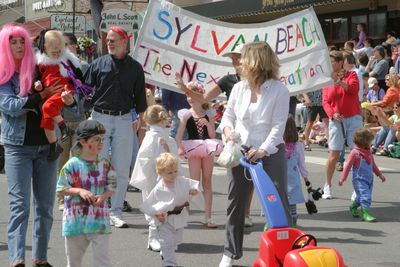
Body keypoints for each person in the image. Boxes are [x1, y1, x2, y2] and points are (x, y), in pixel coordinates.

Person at [0, 23, 70, 267]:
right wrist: (40, 96)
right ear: (5, 47)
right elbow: (9, 106)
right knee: (20, 207)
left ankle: (40, 258)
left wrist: (68, 99)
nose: (19, 46)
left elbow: (61, 93)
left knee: (46, 207)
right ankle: (17, 259)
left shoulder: (42, 67)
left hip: (47, 146)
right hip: (17, 147)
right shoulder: (4, 75)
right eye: (13, 42)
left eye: (22, 42)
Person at [217, 41, 291, 267]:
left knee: (278, 203)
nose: (239, 62)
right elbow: (228, 116)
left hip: (269, 153)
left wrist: (262, 151)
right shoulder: (239, 88)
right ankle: (230, 254)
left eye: (244, 58)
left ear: (257, 62)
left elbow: (279, 127)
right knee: (235, 204)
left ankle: (283, 254)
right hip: (241, 152)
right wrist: (228, 131)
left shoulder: (279, 90)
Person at [84, 26, 147, 228]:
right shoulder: (98, 64)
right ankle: (97, 209)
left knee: (121, 169)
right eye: (108, 40)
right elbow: (85, 91)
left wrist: (140, 120)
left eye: (113, 40)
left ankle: (116, 211)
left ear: (124, 42)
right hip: (100, 118)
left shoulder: (136, 68)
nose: (109, 43)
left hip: (124, 120)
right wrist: (88, 114)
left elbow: (140, 97)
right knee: (98, 167)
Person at [56, 120, 116, 267]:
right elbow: (61, 188)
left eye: (102, 139)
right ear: (83, 141)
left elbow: (113, 186)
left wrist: (103, 197)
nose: (101, 143)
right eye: (96, 139)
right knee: (74, 262)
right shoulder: (71, 164)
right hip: (75, 222)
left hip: (99, 221)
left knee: (103, 261)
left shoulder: (106, 164)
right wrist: (79, 190)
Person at [34, 30, 90, 160]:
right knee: (46, 118)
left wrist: (78, 82)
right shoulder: (40, 63)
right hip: (55, 107)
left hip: (66, 95)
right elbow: (37, 81)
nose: (57, 53)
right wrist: (39, 87)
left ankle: (64, 128)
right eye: (54, 50)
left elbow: (79, 79)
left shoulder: (68, 60)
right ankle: (54, 146)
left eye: (59, 49)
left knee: (47, 107)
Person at [130, 104, 178, 252]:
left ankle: (165, 236)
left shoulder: (165, 137)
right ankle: (153, 237)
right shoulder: (152, 136)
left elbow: (172, 156)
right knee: (155, 205)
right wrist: (156, 171)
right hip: (154, 178)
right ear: (161, 120)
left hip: (166, 177)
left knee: (167, 205)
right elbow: (144, 158)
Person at [174, 81, 222, 228]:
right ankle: (185, 214)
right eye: (187, 94)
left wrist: (208, 124)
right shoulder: (186, 114)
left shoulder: (209, 114)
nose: (190, 98)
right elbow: (178, 136)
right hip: (193, 148)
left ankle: (208, 217)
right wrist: (180, 148)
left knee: (207, 182)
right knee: (193, 183)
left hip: (207, 147)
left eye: (192, 94)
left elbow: (213, 134)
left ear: (200, 95)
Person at [140, 152, 201, 267]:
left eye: (175, 171)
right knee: (166, 240)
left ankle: (166, 254)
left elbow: (194, 186)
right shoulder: (158, 189)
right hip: (165, 219)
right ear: (160, 173)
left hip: (179, 217)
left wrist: (193, 191)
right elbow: (150, 205)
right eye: (169, 173)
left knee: (175, 241)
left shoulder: (181, 181)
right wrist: (157, 214)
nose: (173, 175)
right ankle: (169, 263)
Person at [322, 50, 362, 199]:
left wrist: (338, 81)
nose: (329, 64)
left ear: (340, 63)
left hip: (353, 117)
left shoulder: (352, 75)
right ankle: (327, 185)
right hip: (336, 120)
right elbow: (325, 101)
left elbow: (353, 89)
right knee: (334, 154)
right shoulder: (326, 80)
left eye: (332, 61)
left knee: (356, 153)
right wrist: (332, 114)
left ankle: (357, 188)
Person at [56, 32, 89, 211]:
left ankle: (76, 197)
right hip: (61, 122)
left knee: (79, 162)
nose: (64, 48)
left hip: (80, 121)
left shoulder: (83, 66)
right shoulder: (57, 66)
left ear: (75, 46)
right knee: (61, 163)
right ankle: (62, 199)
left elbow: (90, 91)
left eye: (67, 44)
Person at [338, 128, 386, 222]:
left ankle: (353, 206)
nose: (371, 143)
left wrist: (379, 175)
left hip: (369, 179)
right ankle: (366, 214)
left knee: (361, 197)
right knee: (366, 196)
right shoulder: (355, 153)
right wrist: (342, 178)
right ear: (364, 142)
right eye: (370, 141)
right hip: (359, 179)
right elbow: (347, 166)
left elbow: (373, 165)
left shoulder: (368, 152)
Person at [283, 116, 309, 226]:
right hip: (293, 179)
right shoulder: (298, 145)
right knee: (292, 203)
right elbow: (301, 163)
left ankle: (274, 222)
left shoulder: (277, 145)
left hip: (279, 178)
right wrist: (306, 177)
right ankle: (293, 221)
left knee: (279, 201)